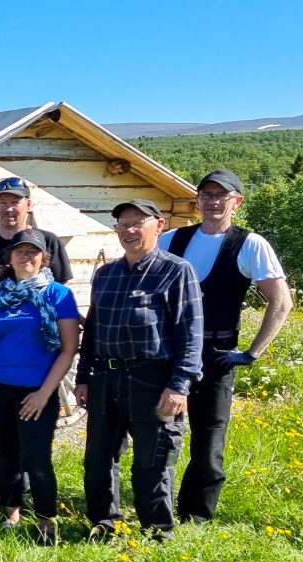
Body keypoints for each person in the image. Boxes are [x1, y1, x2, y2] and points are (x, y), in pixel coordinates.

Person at [162, 170, 292, 523]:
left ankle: (195, 517)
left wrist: (251, 352)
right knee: (159, 434)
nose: (213, 201)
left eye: (221, 195)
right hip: (169, 354)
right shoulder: (171, 240)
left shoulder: (249, 244)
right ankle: (156, 506)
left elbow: (280, 302)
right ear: (198, 199)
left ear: (237, 201)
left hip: (215, 355)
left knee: (208, 441)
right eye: (206, 194)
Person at [76, 199, 202, 542]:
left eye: (138, 223)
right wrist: (84, 378)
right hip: (106, 377)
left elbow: (190, 334)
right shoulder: (106, 274)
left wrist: (179, 386)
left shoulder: (176, 271)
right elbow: (95, 331)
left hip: (152, 377)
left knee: (154, 459)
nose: (129, 230)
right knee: (99, 457)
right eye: (122, 224)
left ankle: (157, 531)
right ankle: (105, 523)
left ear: (158, 226)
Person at [0, 228, 80, 545]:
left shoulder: (58, 294)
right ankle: (11, 513)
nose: (26, 256)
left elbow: (68, 349)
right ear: (11, 257)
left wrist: (44, 394)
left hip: (36, 392)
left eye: (33, 251)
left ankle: (46, 522)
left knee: (37, 458)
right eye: (20, 250)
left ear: (44, 258)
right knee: (5, 455)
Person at [0, 176, 74, 499]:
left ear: (28, 205)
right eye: (3, 201)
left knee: (31, 431)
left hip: (35, 354)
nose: (9, 208)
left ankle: (28, 492)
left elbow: (59, 296)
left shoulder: (50, 241)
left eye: (16, 201)